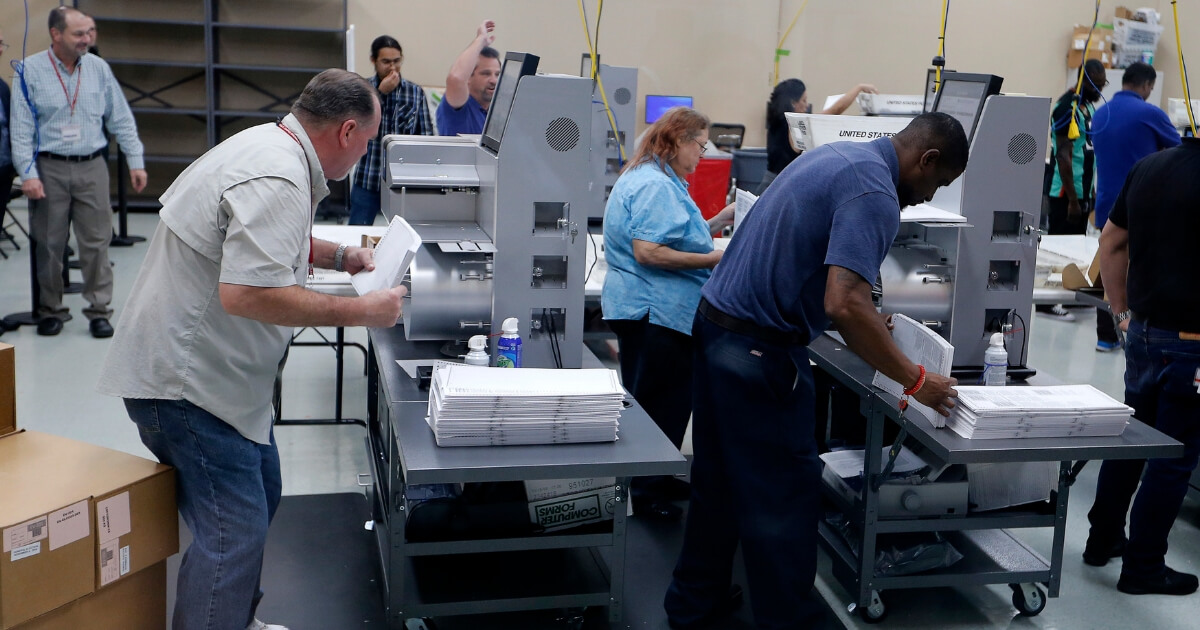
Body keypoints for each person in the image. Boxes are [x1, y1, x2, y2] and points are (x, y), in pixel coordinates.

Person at [97, 69, 405, 630]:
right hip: (188, 385)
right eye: (368, 141)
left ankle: (233, 618)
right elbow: (248, 292)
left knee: (262, 489)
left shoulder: (270, 147)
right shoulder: (277, 174)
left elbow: (261, 240)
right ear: (348, 130)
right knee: (232, 534)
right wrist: (361, 312)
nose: (364, 153)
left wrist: (342, 257)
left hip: (215, 380)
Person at [664, 113, 967, 629]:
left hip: (717, 329)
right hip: (759, 354)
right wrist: (917, 381)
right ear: (927, 159)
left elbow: (821, 271)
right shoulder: (875, 192)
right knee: (784, 498)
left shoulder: (839, 156)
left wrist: (870, 313)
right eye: (936, 183)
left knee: (718, 483)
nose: (926, 196)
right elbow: (843, 303)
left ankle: (694, 604)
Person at [601, 106, 734, 521]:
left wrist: (719, 221)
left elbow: (676, 237)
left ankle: (653, 477)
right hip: (655, 311)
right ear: (679, 141)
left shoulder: (653, 177)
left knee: (658, 401)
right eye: (701, 146)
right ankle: (644, 492)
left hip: (649, 309)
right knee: (660, 404)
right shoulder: (657, 186)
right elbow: (650, 251)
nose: (702, 155)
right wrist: (718, 259)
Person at [1081, 137, 1200, 596]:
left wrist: (1122, 313)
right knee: (1173, 458)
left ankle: (1102, 539)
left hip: (1144, 334)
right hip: (1191, 344)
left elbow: (1110, 242)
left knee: (1132, 440)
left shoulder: (1149, 166)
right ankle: (1144, 567)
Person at [9, 7, 147, 338]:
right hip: (49, 168)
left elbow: (121, 118)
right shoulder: (30, 70)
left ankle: (99, 311)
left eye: (91, 32)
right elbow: (21, 129)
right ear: (56, 34)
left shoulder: (98, 68)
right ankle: (51, 310)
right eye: (79, 33)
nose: (87, 39)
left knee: (97, 243)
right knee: (49, 243)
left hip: (91, 167)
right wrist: (27, 174)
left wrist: (136, 160)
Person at [1089, 62, 1180, 351]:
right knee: (1138, 268)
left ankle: (1106, 334)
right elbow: (1181, 152)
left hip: (1106, 203)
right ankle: (1136, 334)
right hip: (1142, 205)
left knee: (1108, 263)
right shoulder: (1150, 113)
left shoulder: (1101, 113)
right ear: (1146, 86)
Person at [1037, 59, 1107, 322]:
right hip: (1066, 193)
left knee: (1075, 248)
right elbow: (1064, 157)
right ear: (1084, 81)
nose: (1100, 91)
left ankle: (1070, 295)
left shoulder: (1085, 106)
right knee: (1058, 248)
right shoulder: (1066, 108)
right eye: (1097, 86)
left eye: (1103, 86)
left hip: (1083, 188)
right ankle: (1046, 303)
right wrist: (1074, 200)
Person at [348, 35, 434, 226]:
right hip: (368, 178)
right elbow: (352, 126)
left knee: (406, 236)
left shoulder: (415, 92)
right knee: (356, 232)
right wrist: (379, 94)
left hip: (402, 182)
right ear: (374, 61)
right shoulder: (362, 89)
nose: (392, 67)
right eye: (386, 62)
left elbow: (427, 138)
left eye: (397, 61)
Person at [758, 78, 877, 194]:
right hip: (779, 189)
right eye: (804, 101)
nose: (806, 105)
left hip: (767, 185)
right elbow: (835, 110)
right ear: (793, 103)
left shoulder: (775, 121)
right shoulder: (794, 127)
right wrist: (858, 88)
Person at [436, 20, 500, 136]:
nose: (493, 80)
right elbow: (456, 78)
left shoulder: (496, 112)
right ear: (469, 78)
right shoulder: (460, 105)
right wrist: (481, 39)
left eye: (497, 74)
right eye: (485, 74)